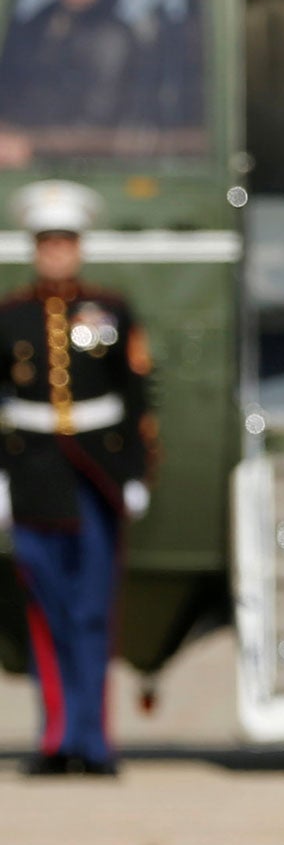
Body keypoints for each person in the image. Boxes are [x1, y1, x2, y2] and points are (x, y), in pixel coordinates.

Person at [0, 181, 155, 776]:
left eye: (66, 242)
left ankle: (94, 742)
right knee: (47, 610)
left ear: (80, 247)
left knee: (93, 611)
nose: (57, 253)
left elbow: (136, 394)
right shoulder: (11, 316)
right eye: (47, 243)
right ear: (35, 249)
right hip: (34, 473)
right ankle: (56, 739)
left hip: (97, 474)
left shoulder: (109, 311)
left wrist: (137, 473)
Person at [0, 0, 136, 133]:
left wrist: (33, 141)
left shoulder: (113, 39)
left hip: (75, 156)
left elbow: (99, 117)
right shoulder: (37, 26)